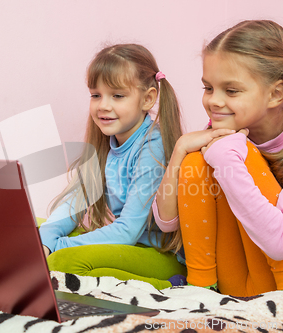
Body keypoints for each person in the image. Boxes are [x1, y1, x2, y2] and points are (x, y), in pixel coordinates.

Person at [152, 20, 283, 296]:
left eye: (231, 90)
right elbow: (166, 222)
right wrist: (180, 151)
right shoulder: (221, 134)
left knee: (236, 151)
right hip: (240, 276)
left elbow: (282, 242)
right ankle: (201, 288)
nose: (214, 101)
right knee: (195, 161)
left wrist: (227, 157)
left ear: (276, 93)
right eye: (208, 88)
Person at [38, 43, 190, 290]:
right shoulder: (106, 141)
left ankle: (170, 284)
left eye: (117, 96)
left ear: (148, 98)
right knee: (34, 230)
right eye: (96, 95)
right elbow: (76, 202)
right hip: (124, 245)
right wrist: (44, 240)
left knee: (62, 260)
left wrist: (55, 246)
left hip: (158, 254)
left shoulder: (153, 145)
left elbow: (128, 231)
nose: (103, 106)